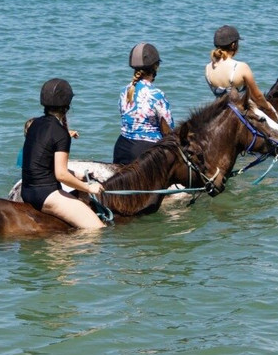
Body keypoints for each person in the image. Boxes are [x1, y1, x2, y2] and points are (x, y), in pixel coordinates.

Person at [20, 78, 106, 229]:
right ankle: (61, 247)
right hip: (46, 195)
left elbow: (44, 163)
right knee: (97, 229)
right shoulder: (60, 133)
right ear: (67, 106)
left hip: (27, 191)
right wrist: (88, 188)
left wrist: (77, 175)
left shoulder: (35, 124)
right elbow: (61, 174)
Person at [113, 42, 174, 165]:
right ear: (155, 67)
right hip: (146, 152)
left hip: (121, 147)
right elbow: (169, 131)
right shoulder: (157, 95)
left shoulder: (124, 91)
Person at [205, 25, 278, 121]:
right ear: (233, 45)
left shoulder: (208, 68)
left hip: (219, 113)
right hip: (241, 114)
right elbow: (258, 97)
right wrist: (269, 107)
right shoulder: (241, 67)